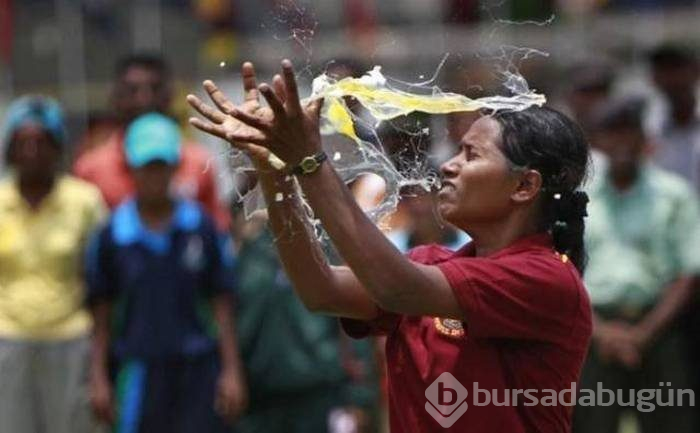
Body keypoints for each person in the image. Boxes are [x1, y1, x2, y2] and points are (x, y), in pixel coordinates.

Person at [187, 60, 593, 432]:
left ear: (525, 186)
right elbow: (320, 289)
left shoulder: (546, 278)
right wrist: (275, 169)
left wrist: (309, 160)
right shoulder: (430, 265)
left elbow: (393, 286)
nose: (449, 165)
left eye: (471, 156)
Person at [85, 112, 246, 432]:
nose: (154, 176)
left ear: (175, 167)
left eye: (162, 165)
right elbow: (101, 313)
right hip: (138, 370)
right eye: (146, 166)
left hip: (198, 369)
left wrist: (231, 371)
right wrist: (98, 377)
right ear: (131, 168)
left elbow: (221, 302)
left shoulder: (199, 225)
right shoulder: (114, 234)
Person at [574, 98, 700, 433]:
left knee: (672, 424)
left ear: (644, 139)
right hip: (595, 332)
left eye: (629, 133)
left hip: (659, 329)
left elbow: (688, 273)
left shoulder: (674, 194)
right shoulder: (581, 199)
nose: (621, 143)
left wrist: (643, 335)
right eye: (612, 134)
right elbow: (565, 271)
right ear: (597, 142)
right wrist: (602, 332)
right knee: (591, 425)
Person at [0, 96, 106, 433]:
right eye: (23, 143)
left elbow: (101, 279)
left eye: (42, 141)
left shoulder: (84, 201)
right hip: (8, 340)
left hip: (70, 339)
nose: (32, 151)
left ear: (58, 146)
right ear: (10, 149)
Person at [231, 208, 380, 433]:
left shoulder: (322, 244)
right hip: (262, 398)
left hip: (319, 394)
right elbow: (228, 320)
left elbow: (352, 324)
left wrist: (359, 397)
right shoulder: (247, 249)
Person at [74, 53, 230, 228]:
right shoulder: (91, 170)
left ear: (170, 96)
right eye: (132, 91)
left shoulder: (199, 163)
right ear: (115, 98)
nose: (144, 99)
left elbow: (217, 232)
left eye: (155, 89)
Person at [645, 44, 700, 194]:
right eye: (663, 70)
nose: (672, 79)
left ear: (696, 71)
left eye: (677, 68)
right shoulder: (645, 127)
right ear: (654, 79)